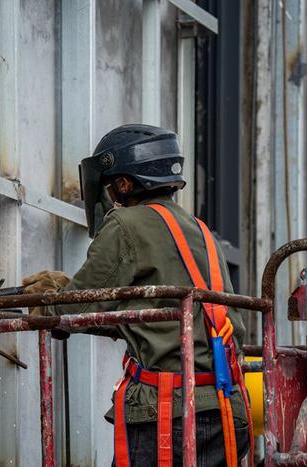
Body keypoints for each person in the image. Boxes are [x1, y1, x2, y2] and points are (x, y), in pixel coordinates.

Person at [22, 124, 252, 467]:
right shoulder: (199, 230)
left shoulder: (126, 224)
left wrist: (47, 298)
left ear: (125, 184)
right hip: (226, 410)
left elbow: (75, 305)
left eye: (111, 184)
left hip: (170, 415)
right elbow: (160, 307)